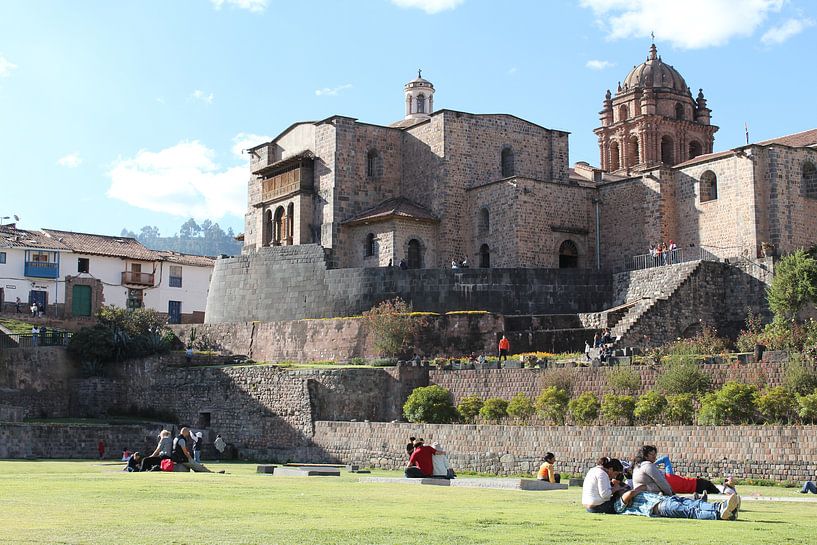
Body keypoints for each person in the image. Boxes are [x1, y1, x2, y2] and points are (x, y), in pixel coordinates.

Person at [614, 485, 741, 521]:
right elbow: (630, 493)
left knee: (695, 503)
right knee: (691, 512)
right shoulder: (618, 505)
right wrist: (621, 489)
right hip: (660, 507)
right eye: (620, 487)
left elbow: (643, 487)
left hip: (666, 500)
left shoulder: (630, 493)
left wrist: (625, 487)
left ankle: (722, 508)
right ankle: (718, 515)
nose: (622, 486)